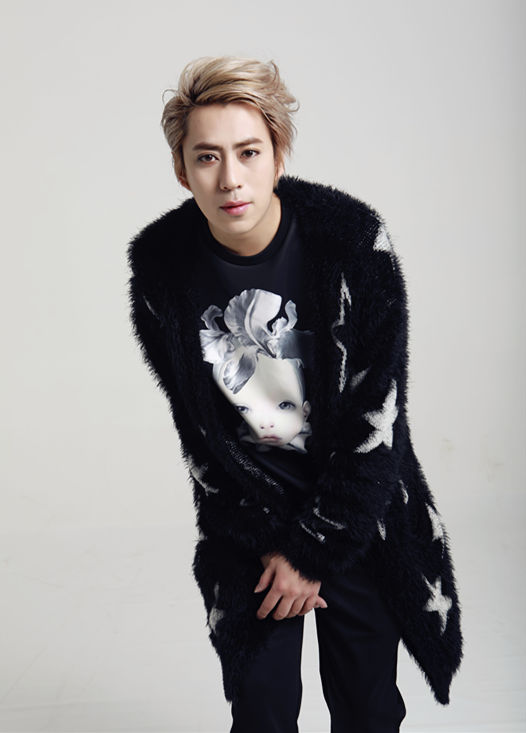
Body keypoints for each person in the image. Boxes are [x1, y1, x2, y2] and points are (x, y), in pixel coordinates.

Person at [127, 55, 463, 732]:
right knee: (261, 710)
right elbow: (198, 431)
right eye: (206, 157)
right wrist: (269, 544)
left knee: (368, 708)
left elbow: (377, 418)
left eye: (249, 152)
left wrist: (311, 551)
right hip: (247, 522)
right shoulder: (161, 271)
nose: (230, 177)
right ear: (182, 170)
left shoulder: (352, 246)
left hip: (357, 513)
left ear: (278, 155)